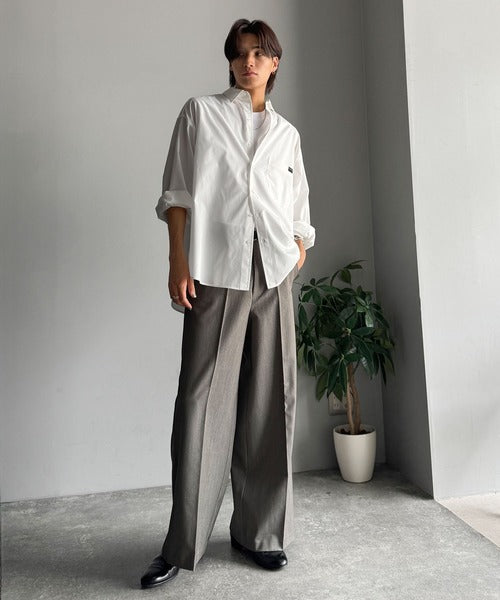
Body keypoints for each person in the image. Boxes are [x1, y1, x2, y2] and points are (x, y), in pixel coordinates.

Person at [140, 17, 315, 590]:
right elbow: (177, 193)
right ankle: (182, 543)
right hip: (216, 269)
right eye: (239, 54)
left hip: (273, 274)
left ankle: (260, 534)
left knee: (272, 403)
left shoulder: (286, 134)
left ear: (275, 62)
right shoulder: (201, 114)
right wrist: (178, 260)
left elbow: (299, 210)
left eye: (258, 53)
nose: (248, 63)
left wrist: (297, 250)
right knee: (200, 404)